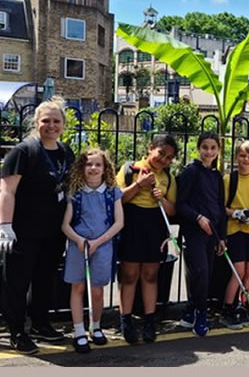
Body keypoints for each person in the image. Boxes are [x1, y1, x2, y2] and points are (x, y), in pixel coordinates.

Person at [0, 97, 75, 354]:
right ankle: (17, 331)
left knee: (45, 279)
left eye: (56, 121)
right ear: (37, 123)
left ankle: (41, 323)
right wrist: (5, 225)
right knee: (17, 283)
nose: (51, 126)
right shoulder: (23, 152)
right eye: (46, 121)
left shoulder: (66, 152)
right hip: (23, 230)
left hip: (54, 230)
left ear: (63, 125)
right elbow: (7, 190)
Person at [116, 134, 177, 343]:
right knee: (129, 274)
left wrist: (162, 199)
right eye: (161, 153)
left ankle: (150, 321)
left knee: (151, 275)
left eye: (169, 158)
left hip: (155, 225)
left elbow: (172, 210)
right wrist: (138, 185)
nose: (164, 160)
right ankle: (126, 320)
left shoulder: (168, 178)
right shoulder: (130, 170)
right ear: (151, 148)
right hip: (133, 223)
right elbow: (118, 199)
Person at [61, 148, 124, 353]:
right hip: (79, 247)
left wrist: (99, 241)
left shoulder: (112, 192)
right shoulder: (75, 192)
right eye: (89, 164)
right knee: (78, 288)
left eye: (98, 164)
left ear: (105, 168)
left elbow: (119, 223)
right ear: (82, 167)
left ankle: (95, 327)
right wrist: (80, 240)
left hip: (103, 247)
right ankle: (79, 331)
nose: (93, 168)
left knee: (97, 291)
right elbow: (65, 225)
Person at [176, 132, 227, 336]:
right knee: (201, 272)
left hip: (212, 233)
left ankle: (190, 309)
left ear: (218, 151)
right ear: (199, 148)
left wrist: (222, 237)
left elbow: (220, 208)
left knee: (205, 273)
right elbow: (181, 205)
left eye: (213, 148)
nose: (209, 152)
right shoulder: (191, 172)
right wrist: (198, 217)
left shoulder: (216, 176)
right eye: (205, 147)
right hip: (195, 232)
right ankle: (200, 313)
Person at [221, 140, 249, 330]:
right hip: (235, 230)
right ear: (237, 156)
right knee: (237, 271)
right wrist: (236, 213)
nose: (246, 159)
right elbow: (221, 207)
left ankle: (242, 304)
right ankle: (227, 309)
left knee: (248, 270)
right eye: (242, 156)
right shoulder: (229, 180)